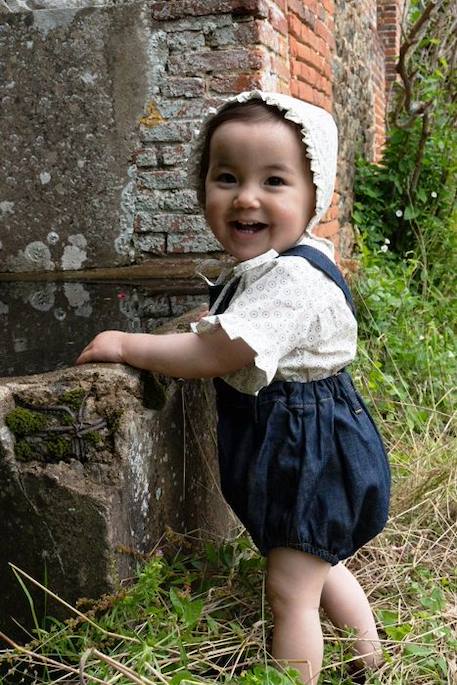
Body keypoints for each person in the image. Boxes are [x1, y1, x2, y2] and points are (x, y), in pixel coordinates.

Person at [76, 90, 390, 684]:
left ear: (313, 197)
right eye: (227, 177)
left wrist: (127, 344)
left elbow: (212, 353)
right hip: (311, 444)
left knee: (290, 593)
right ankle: (371, 659)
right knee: (317, 563)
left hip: (308, 454)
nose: (246, 196)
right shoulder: (275, 267)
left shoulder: (295, 280)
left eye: (274, 181)